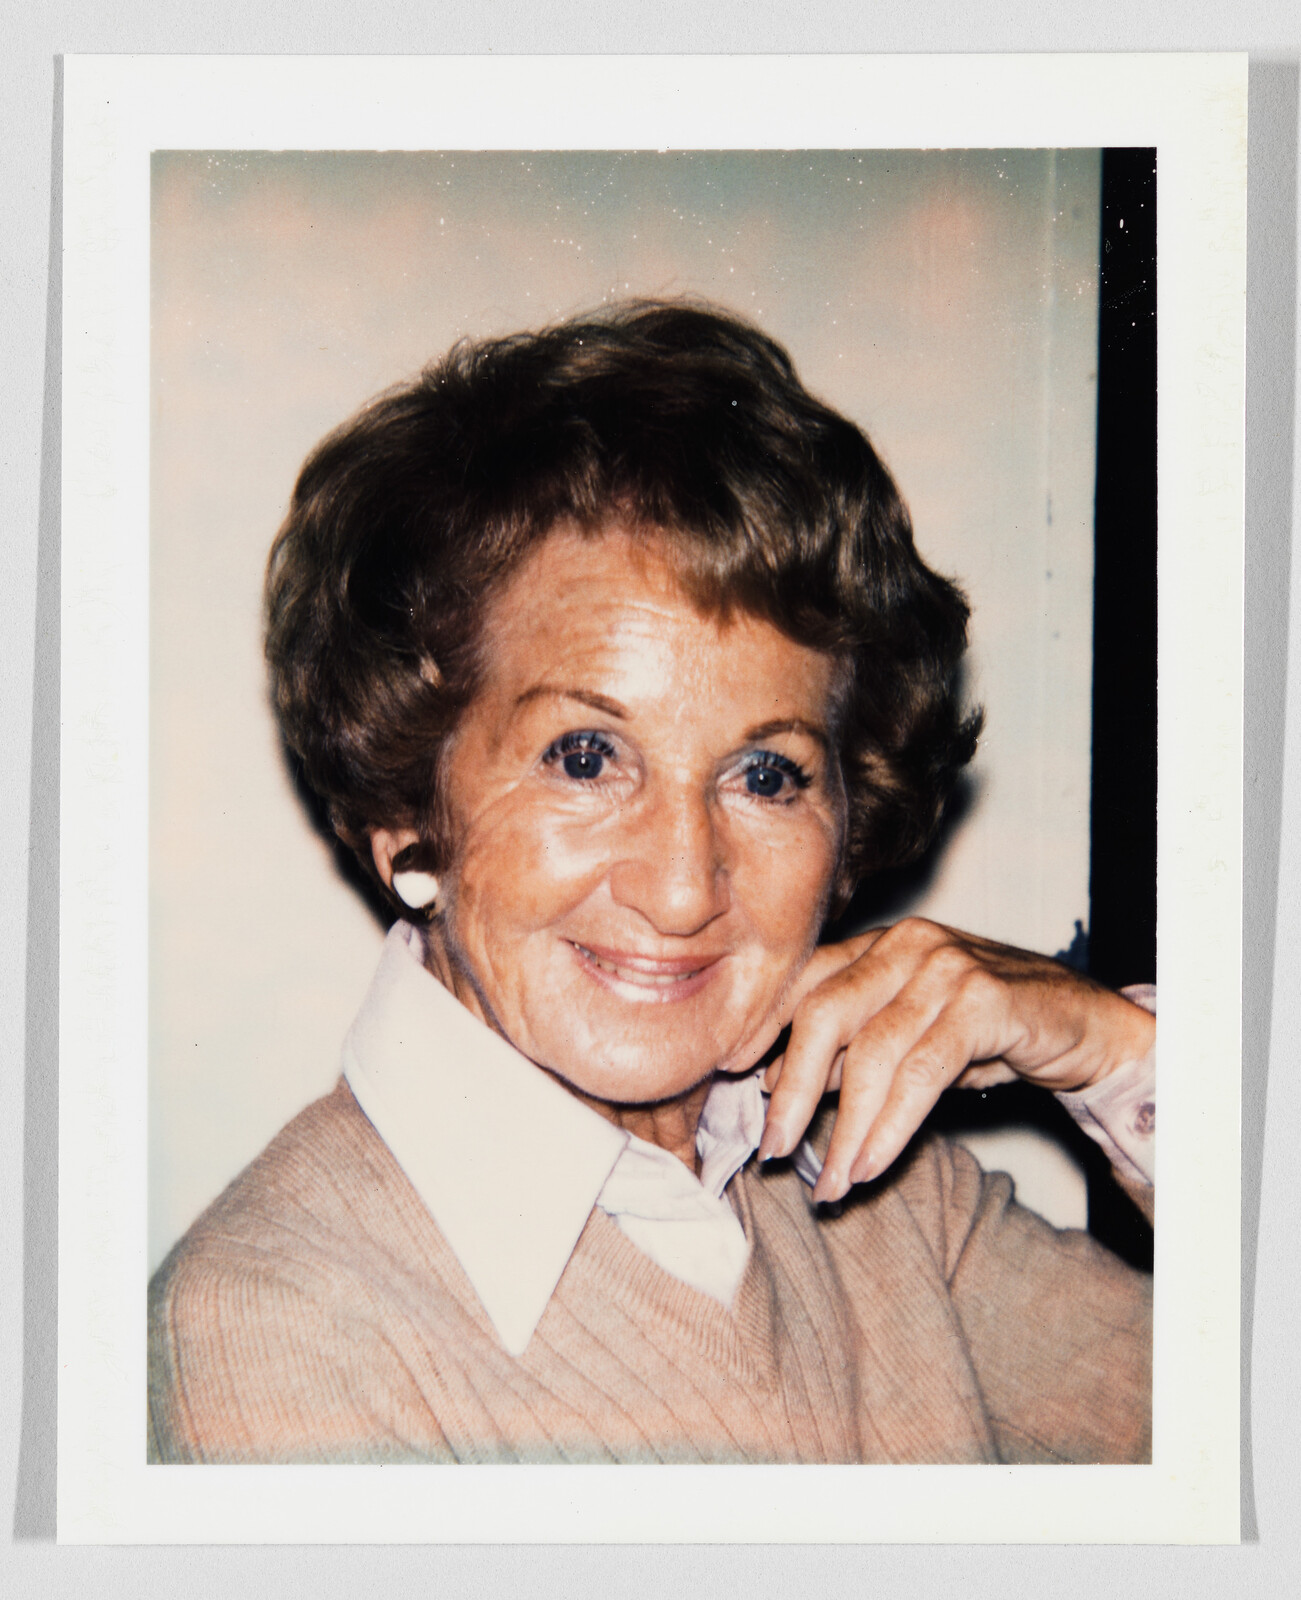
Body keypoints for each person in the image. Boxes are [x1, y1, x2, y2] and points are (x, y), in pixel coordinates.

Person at [147, 300, 1155, 1466]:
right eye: (585, 757)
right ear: (405, 815)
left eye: (765, 774)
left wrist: (1119, 1058)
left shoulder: (881, 1191)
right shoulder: (277, 1333)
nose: (683, 889)